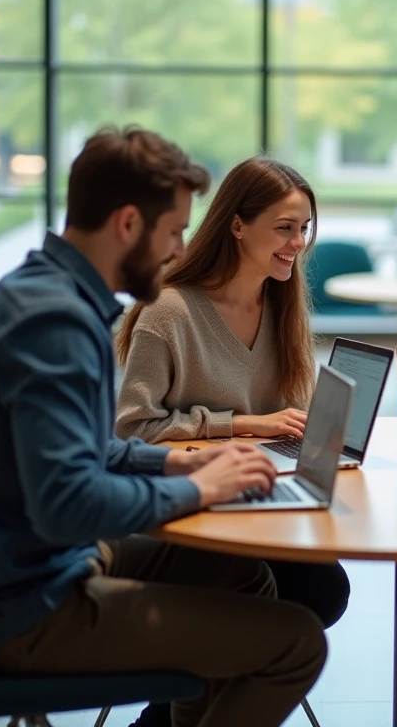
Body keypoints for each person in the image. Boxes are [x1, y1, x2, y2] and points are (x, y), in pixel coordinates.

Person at [0, 126, 327, 727]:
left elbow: (91, 452)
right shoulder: (54, 325)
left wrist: (176, 461)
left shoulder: (46, 295)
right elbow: (66, 504)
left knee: (238, 575)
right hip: (28, 608)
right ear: (128, 225)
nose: (178, 250)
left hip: (24, 570)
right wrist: (197, 491)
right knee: (298, 642)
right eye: (172, 231)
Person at [113, 156, 352, 646]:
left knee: (326, 589)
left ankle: (206, 698)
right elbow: (132, 430)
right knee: (298, 593)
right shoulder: (169, 311)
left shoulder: (283, 306)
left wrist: (314, 435)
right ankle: (176, 710)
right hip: (188, 503)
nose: (299, 243)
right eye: (284, 228)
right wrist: (244, 424)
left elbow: (287, 414)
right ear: (237, 225)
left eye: (304, 228)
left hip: (258, 490)